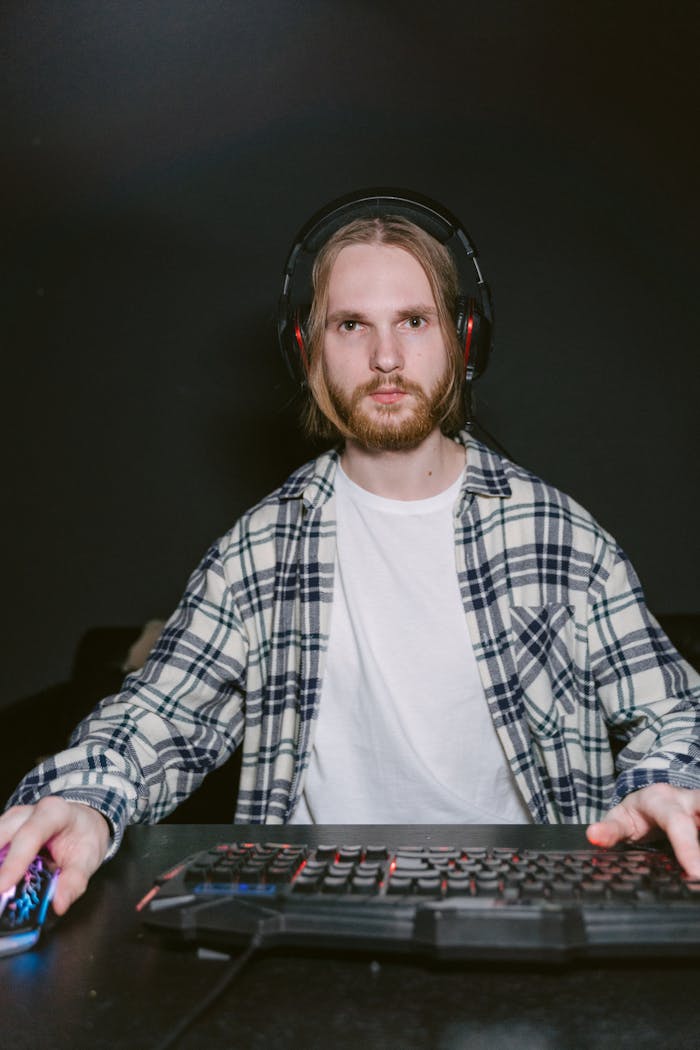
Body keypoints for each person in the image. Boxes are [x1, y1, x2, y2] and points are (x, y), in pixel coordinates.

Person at [2, 192, 700, 918]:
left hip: (525, 919)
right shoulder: (258, 550)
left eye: (414, 321)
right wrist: (83, 804)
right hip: (311, 921)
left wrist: (660, 784)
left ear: (465, 340)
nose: (387, 357)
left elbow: (680, 717)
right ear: (307, 350)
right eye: (351, 325)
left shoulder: (559, 537)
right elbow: (157, 719)